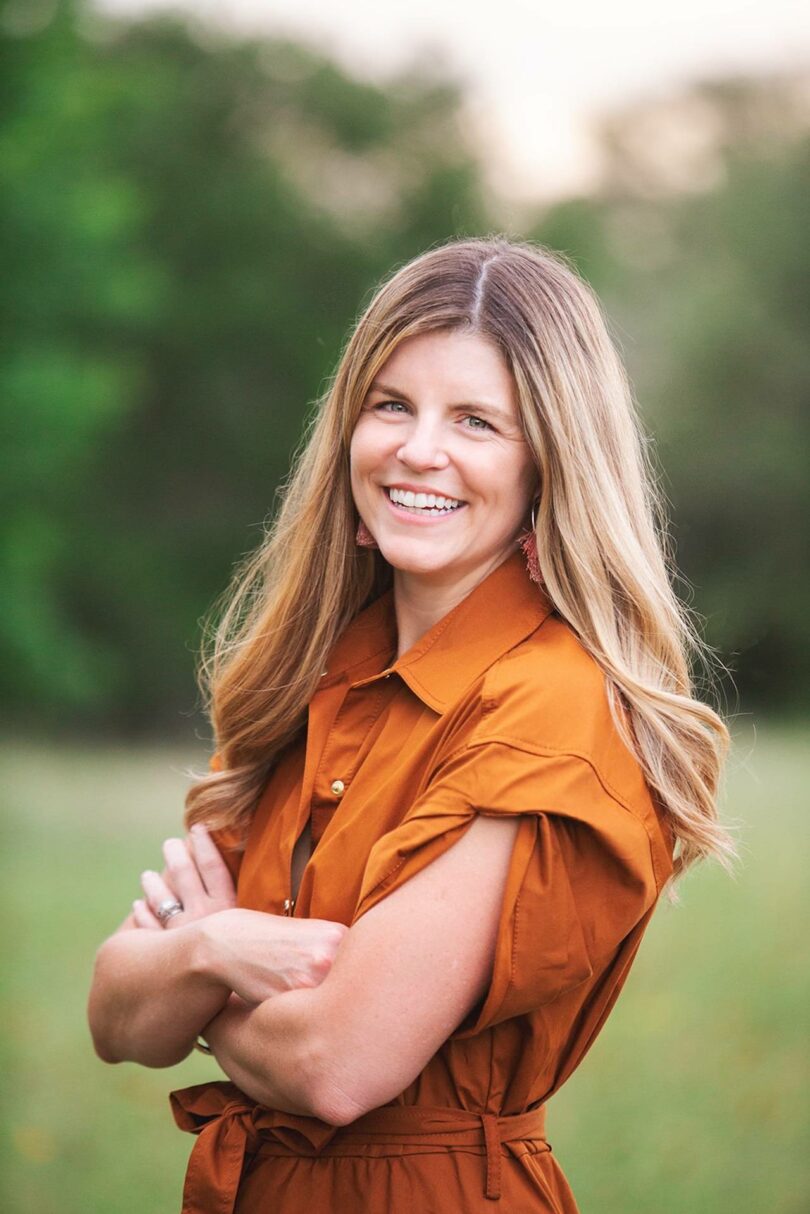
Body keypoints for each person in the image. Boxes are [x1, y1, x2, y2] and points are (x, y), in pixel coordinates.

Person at [87, 236, 734, 1213]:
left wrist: (196, 971)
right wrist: (214, 951)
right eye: (391, 404)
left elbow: (337, 1063)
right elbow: (117, 1015)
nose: (418, 448)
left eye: (476, 420)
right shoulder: (312, 677)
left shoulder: (554, 706)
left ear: (549, 465)